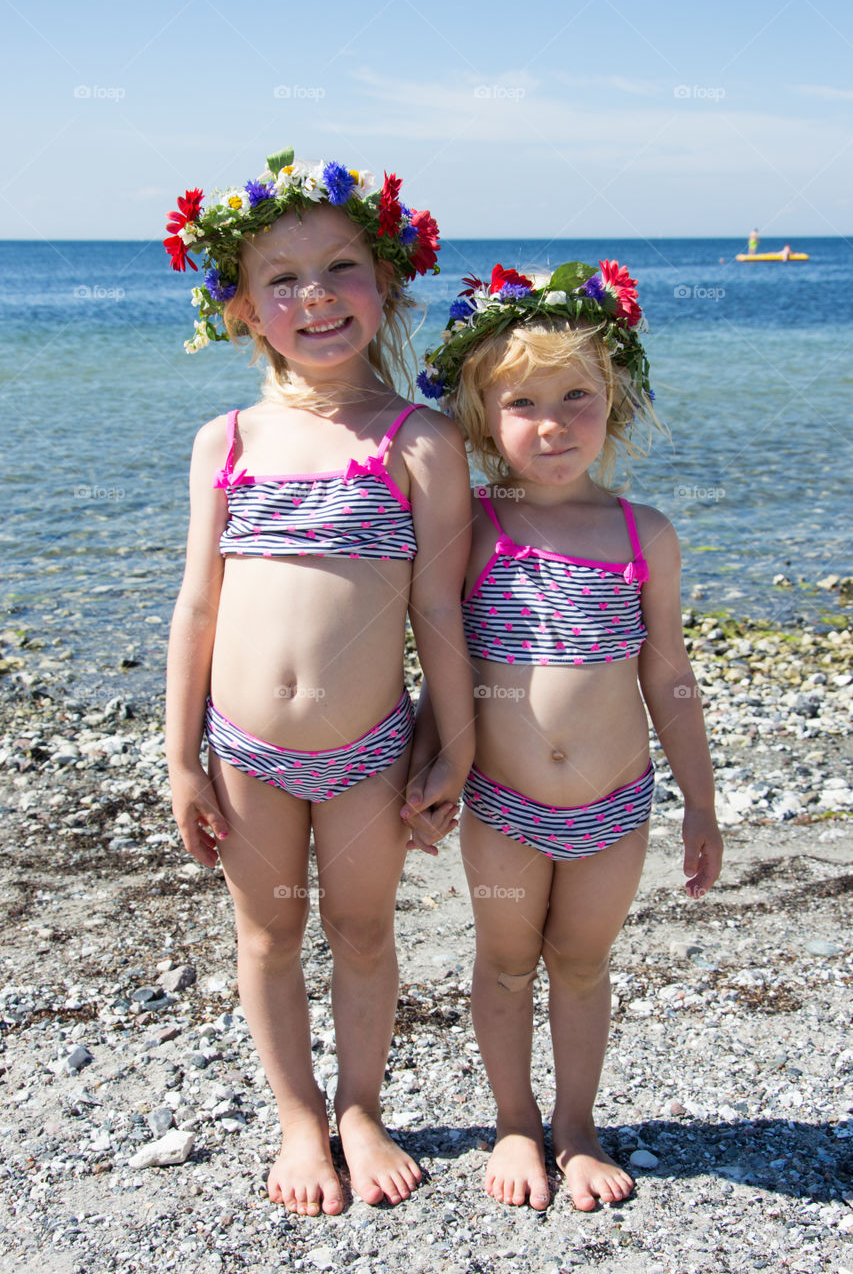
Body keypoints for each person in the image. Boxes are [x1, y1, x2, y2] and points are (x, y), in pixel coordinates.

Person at [164, 147, 473, 1216]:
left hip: (371, 744)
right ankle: (296, 1110)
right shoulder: (228, 440)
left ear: (383, 282)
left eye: (339, 267)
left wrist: (455, 739)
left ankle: (358, 1102)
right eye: (281, 280)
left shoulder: (418, 440)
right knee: (266, 930)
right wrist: (179, 761)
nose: (314, 297)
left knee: (363, 929)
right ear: (242, 307)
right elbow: (197, 607)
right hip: (243, 744)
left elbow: (439, 608)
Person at [406, 260, 724, 1211]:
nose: (550, 423)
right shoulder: (472, 526)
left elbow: (668, 677)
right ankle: (513, 1119)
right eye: (521, 402)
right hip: (502, 802)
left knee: (583, 963)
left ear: (615, 398)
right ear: (479, 418)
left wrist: (700, 802)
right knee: (505, 962)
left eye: (576, 396)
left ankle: (577, 1127)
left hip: (616, 801)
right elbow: (440, 648)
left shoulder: (642, 534)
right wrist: (429, 763)